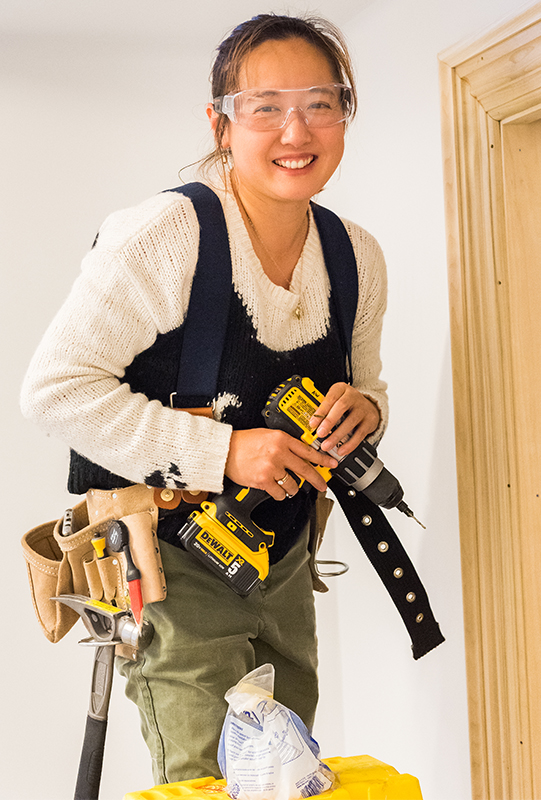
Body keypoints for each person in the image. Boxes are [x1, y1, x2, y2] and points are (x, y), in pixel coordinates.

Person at [21, 13, 388, 786]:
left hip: (282, 560)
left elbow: (367, 380)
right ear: (220, 121)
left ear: (344, 113)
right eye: (264, 106)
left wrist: (369, 410)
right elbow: (55, 390)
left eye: (320, 103)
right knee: (204, 779)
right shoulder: (163, 235)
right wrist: (224, 452)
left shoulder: (355, 255)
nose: (296, 129)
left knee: (287, 773)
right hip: (171, 561)